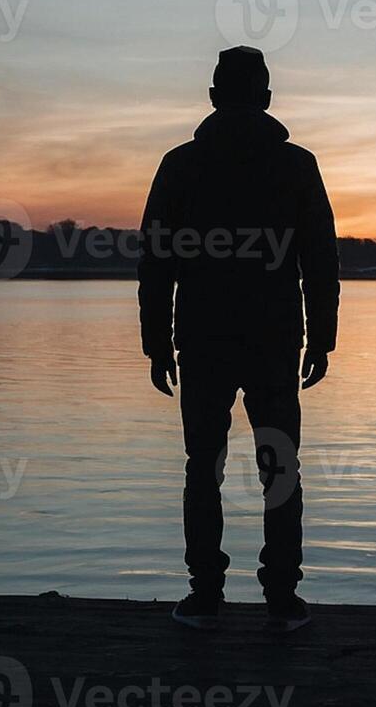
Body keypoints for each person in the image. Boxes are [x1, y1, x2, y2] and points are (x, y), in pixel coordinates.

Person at [138, 46, 340, 633]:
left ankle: (205, 594)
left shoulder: (179, 165)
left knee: (203, 465)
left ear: (212, 98)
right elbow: (320, 261)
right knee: (280, 466)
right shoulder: (297, 166)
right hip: (275, 341)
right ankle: (281, 597)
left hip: (201, 341)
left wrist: (155, 342)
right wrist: (321, 338)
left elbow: (156, 261)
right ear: (268, 99)